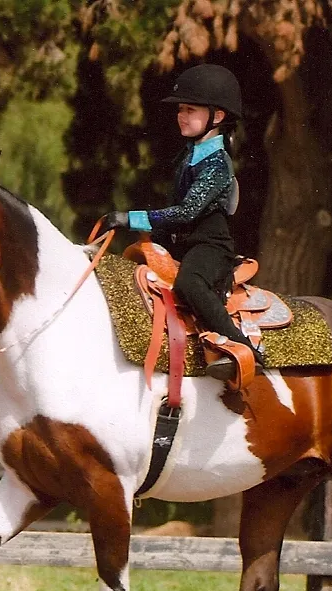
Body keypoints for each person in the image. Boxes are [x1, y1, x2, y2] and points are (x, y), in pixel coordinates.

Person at [99, 64, 263, 382]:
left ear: (217, 116)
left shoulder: (217, 164)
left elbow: (186, 212)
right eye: (180, 110)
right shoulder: (189, 156)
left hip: (209, 247)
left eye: (191, 110)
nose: (181, 116)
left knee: (190, 284)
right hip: (182, 244)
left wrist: (129, 218)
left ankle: (241, 348)